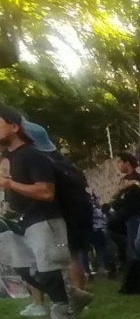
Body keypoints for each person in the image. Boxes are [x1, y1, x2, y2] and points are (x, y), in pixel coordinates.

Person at [0, 105, 74, 319]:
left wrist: (9, 184)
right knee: (25, 270)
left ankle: (64, 314)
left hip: (43, 219)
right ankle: (71, 296)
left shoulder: (32, 155)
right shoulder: (8, 157)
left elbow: (46, 192)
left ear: (14, 127)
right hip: (21, 221)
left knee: (48, 270)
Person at [21, 120, 93, 309]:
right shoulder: (63, 164)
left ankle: (70, 300)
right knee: (73, 256)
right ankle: (78, 298)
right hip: (77, 214)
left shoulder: (41, 163)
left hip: (59, 215)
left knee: (62, 260)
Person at [110, 152, 140, 260]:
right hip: (126, 218)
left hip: (137, 217)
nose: (117, 165)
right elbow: (114, 196)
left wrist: (135, 183)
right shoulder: (123, 180)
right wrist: (120, 189)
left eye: (119, 162)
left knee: (138, 248)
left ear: (127, 163)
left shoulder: (139, 177)